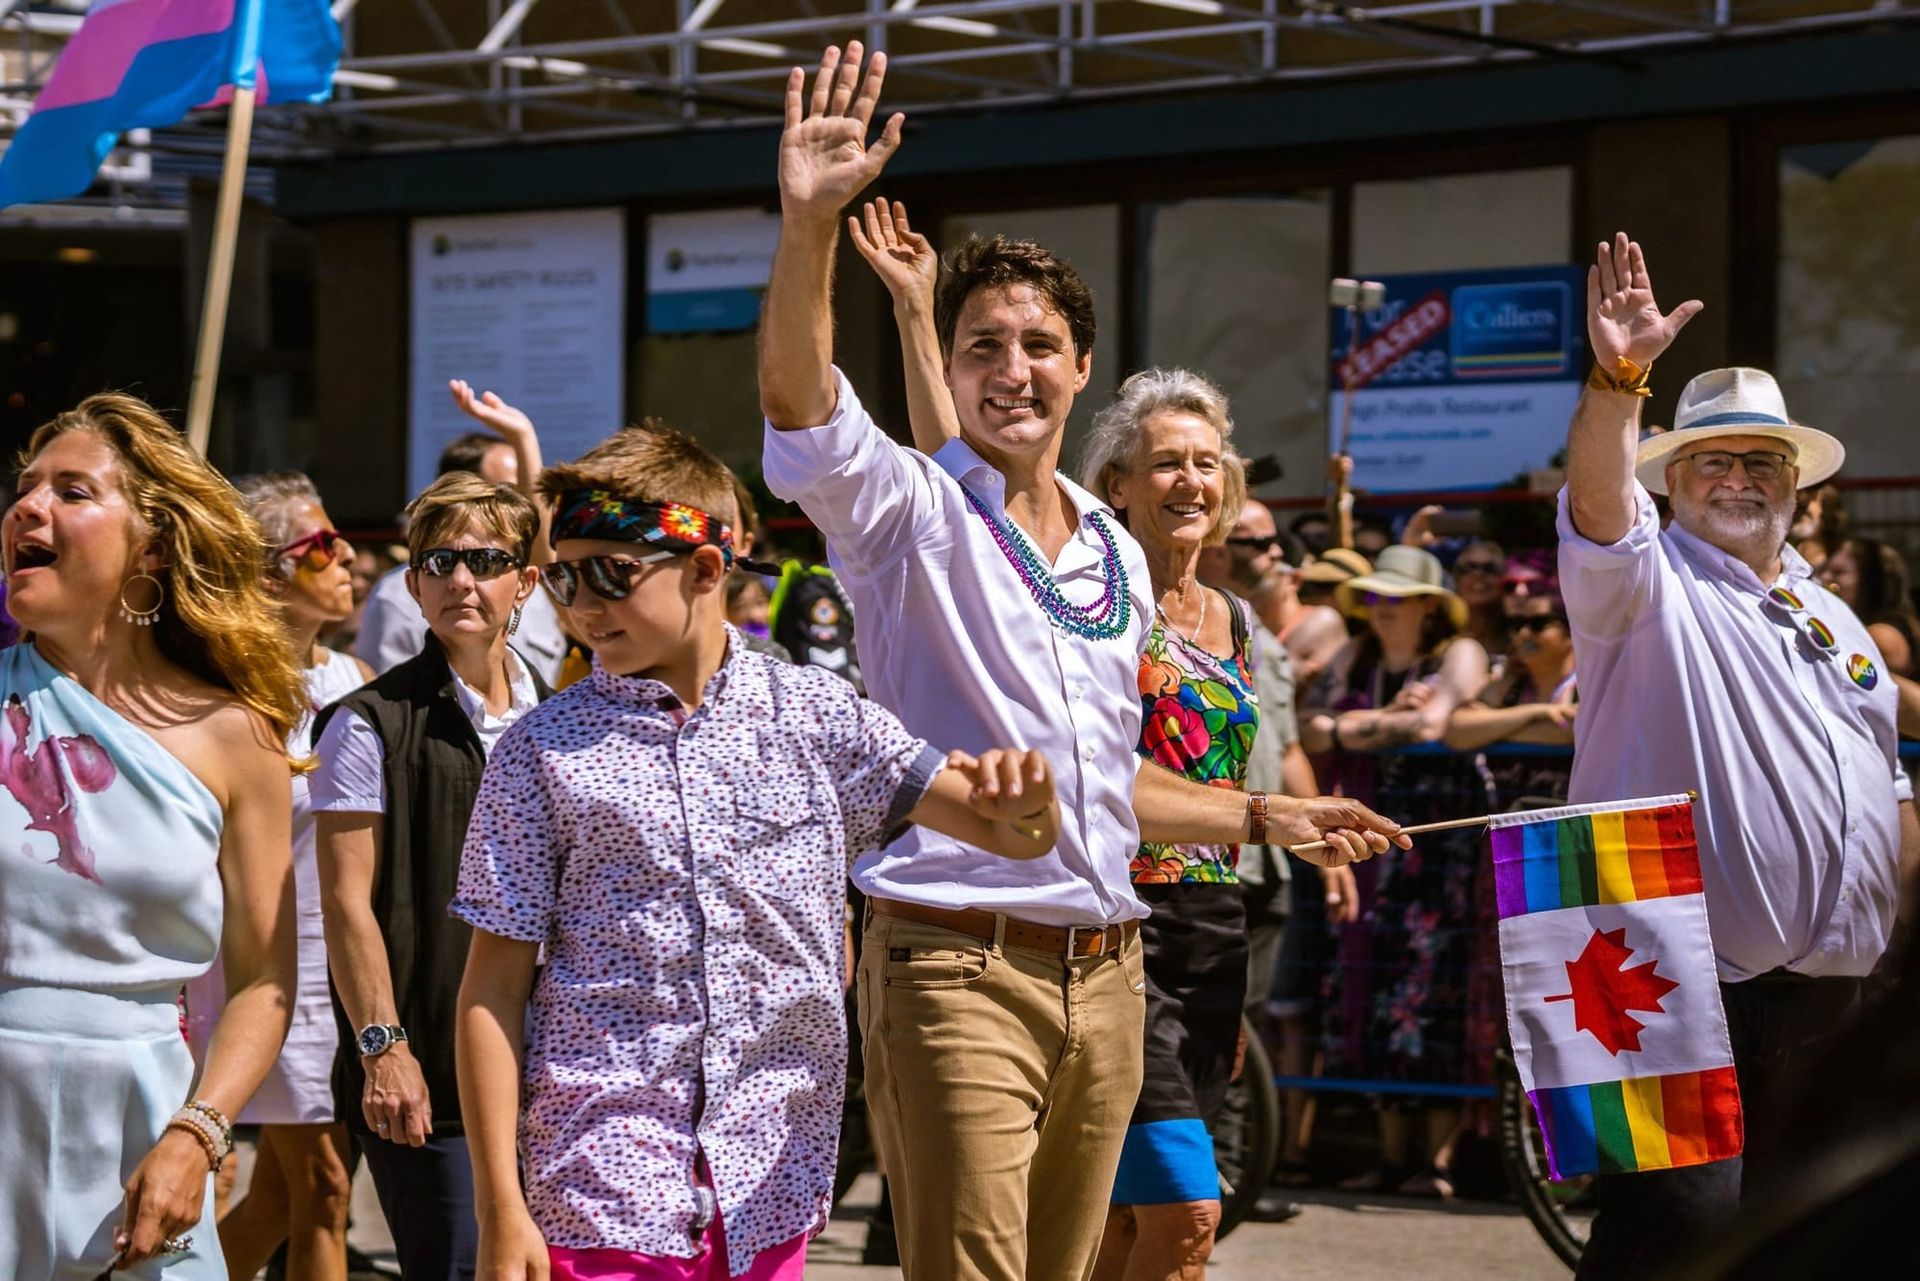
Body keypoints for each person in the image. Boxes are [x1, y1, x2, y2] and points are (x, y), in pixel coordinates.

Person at [759, 47, 1403, 1280]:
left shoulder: (1111, 539)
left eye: (1039, 344)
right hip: (954, 959)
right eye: (984, 345)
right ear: (947, 368)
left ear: (1081, 367)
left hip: (1111, 970)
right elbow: (800, 403)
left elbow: (1108, 780)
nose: (1014, 368)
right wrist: (809, 228)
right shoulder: (909, 513)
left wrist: (1274, 813)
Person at [451, 424, 1071, 1281]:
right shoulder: (540, 751)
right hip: (600, 1179)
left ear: (707, 569)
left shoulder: (818, 715)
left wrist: (1027, 798)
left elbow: (1016, 835)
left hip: (771, 1176)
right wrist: (499, 1207)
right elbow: (491, 987)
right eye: (562, 576)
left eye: (611, 573)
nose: (581, 604)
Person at [1557, 232, 1913, 1280]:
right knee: (1668, 1238)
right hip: (1659, 973)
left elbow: (1888, 788)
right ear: (1672, 481)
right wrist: (1620, 380)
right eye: (1714, 458)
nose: (1739, 477)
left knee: (1797, 1243)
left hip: (1830, 994)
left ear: (1798, 484)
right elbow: (1595, 501)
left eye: (1762, 460)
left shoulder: (1837, 619)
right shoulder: (1642, 582)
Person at [0, 392, 301, 1275]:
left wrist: (199, 1135)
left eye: (72, 490)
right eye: (23, 488)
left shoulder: (237, 736)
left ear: (153, 543)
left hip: (147, 1124)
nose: (27, 507)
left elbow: (263, 980)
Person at [313, 471, 549, 1281]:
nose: (461, 579)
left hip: (561, 1074)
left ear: (528, 578)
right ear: (412, 583)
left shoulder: (564, 713)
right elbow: (347, 905)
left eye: (485, 559)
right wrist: (383, 1048)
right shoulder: (367, 722)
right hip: (432, 1077)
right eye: (439, 560)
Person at [183, 473, 371, 1281]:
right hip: (263, 965)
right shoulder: (223, 692)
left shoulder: (356, 682)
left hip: (348, 970)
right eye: (322, 546)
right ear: (266, 574)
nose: (348, 558)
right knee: (321, 1189)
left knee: (281, 1200)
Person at [1299, 545, 1491, 1200]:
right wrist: (1384, 722)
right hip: (1370, 844)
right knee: (1373, 987)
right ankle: (1389, 1156)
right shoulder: (1358, 656)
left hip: (1439, 850)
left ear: (1429, 607)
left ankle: (1436, 1161)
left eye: (1393, 598)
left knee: (1436, 992)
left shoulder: (1458, 654)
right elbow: (1310, 730)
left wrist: (1352, 724)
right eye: (1372, 598)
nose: (1379, 610)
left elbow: (1434, 722)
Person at [1198, 500, 1360, 1194]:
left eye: (1264, 540)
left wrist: (1326, 835)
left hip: (1264, 863)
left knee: (1245, 1021)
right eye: (1238, 539)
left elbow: (1288, 747)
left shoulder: (1255, 635)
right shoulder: (1162, 624)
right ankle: (1212, 1178)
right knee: (1213, 1023)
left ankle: (1229, 1175)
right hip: (1202, 857)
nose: (1255, 552)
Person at [354, 381, 569, 687]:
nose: (459, 583)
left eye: (487, 563)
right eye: (508, 489)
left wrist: (525, 439)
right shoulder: (398, 599)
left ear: (524, 584)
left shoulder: (540, 589)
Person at [1820, 536, 1919, 678]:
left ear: (1870, 583)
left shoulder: (1880, 635)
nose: (1824, 578)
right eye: (1824, 570)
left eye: (1838, 572)